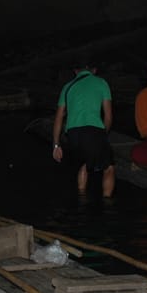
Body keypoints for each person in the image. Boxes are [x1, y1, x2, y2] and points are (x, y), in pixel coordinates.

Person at [51, 59, 114, 199]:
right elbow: (108, 116)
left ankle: (81, 199)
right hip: (94, 130)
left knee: (83, 164)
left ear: (75, 71)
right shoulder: (101, 83)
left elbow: (58, 118)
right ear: (94, 70)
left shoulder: (67, 87)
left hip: (72, 134)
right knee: (108, 167)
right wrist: (102, 135)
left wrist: (56, 145)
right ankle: (107, 202)